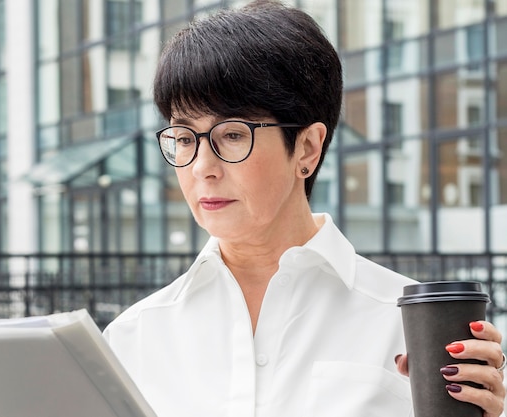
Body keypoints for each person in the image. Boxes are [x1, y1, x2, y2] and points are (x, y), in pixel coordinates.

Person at [103, 1, 506, 416]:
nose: (202, 168)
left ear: (308, 147)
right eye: (185, 138)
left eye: (233, 135)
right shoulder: (132, 340)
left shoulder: (405, 326)